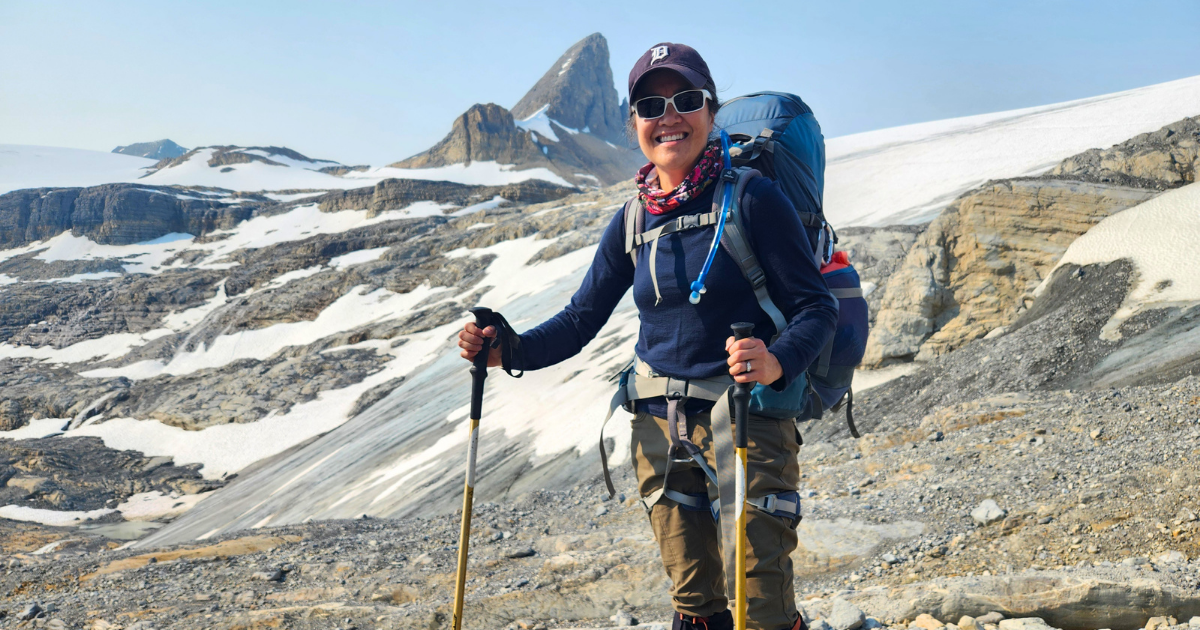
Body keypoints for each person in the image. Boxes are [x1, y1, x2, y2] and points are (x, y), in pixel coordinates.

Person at [458, 42, 837, 630]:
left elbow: (816, 307)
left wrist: (776, 360)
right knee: (694, 603)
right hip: (656, 425)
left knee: (758, 601)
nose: (669, 116)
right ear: (633, 121)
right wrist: (510, 349)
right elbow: (582, 318)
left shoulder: (754, 199)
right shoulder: (633, 218)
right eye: (650, 105)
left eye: (685, 99)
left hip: (746, 415)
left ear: (711, 112)